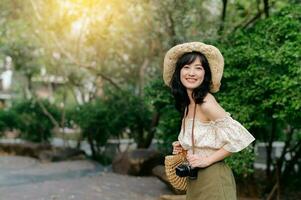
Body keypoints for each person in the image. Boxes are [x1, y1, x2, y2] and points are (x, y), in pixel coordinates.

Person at [163, 42, 255, 200]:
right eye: (187, 67)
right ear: (179, 72)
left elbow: (239, 138)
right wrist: (184, 146)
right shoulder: (187, 104)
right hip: (194, 179)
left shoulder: (206, 102)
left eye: (198, 68)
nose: (192, 73)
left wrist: (206, 161)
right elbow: (206, 140)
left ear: (205, 74)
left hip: (213, 178)